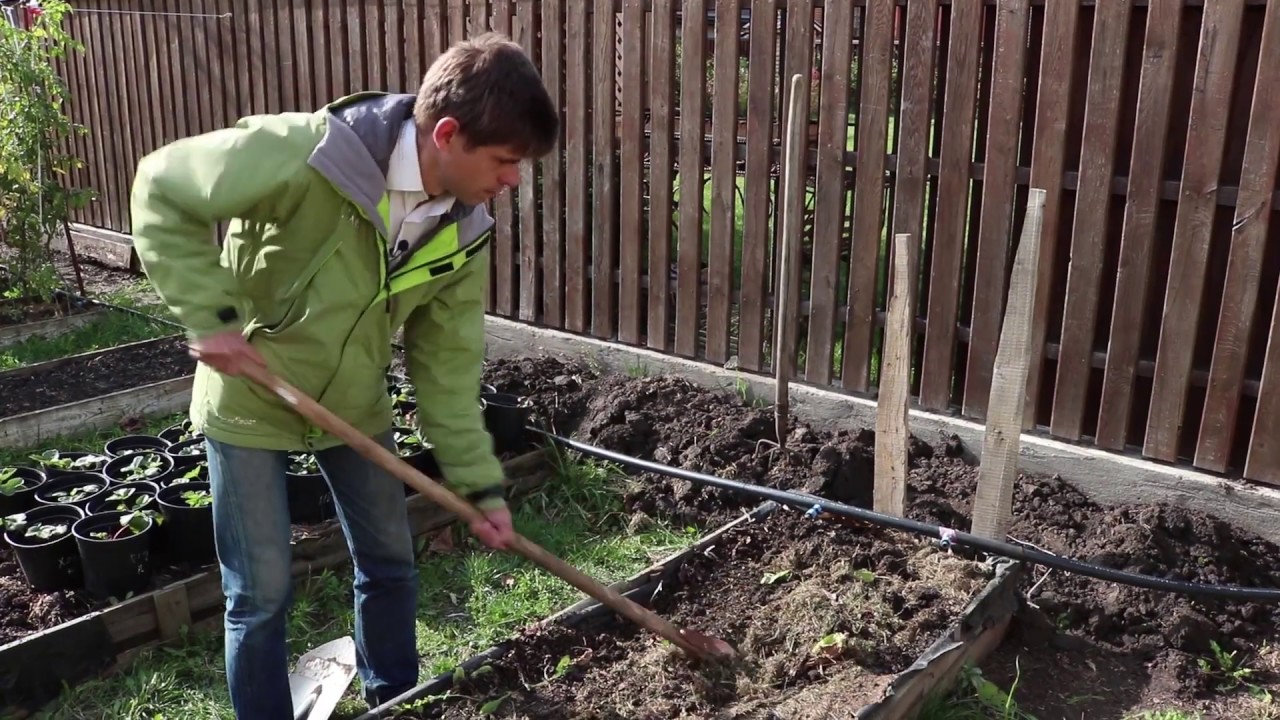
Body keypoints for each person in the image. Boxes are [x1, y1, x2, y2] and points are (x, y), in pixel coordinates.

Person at [128, 32, 558, 719]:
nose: (512, 179)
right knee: (260, 595)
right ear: (448, 133)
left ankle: (395, 698)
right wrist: (210, 316)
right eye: (505, 160)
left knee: (390, 562)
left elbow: (446, 367)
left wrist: (479, 483)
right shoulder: (308, 155)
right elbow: (162, 184)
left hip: (354, 402)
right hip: (251, 396)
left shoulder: (463, 227)